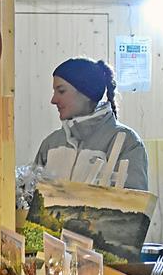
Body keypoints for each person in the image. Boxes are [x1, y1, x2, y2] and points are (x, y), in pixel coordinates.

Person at [33, 57, 149, 190]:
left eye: (61, 91)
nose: (53, 100)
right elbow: (31, 199)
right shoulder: (50, 144)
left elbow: (134, 206)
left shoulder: (127, 143)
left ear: (86, 93)